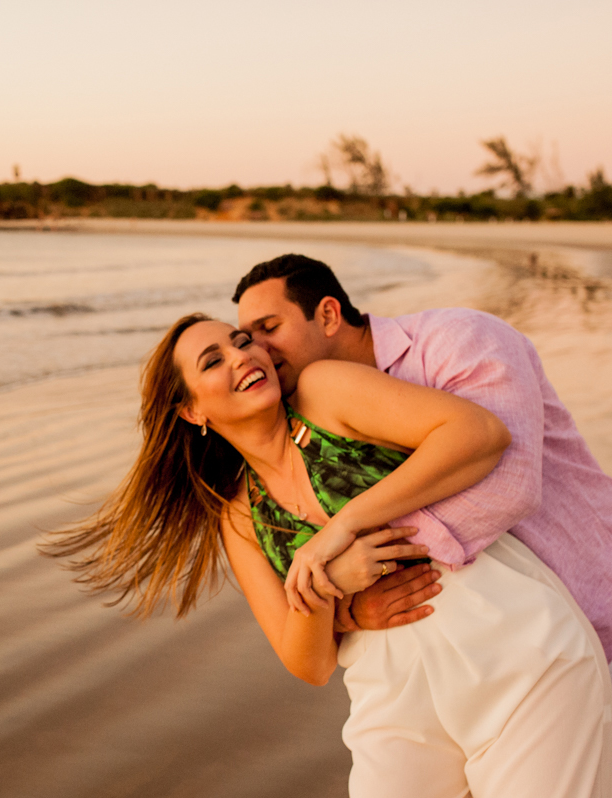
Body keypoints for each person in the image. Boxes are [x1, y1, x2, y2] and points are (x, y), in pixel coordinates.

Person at [44, 313, 611, 797]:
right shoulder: (239, 513)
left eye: (242, 341)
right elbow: (308, 662)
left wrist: (337, 532)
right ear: (192, 411)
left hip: (509, 639)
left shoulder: (325, 393)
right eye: (212, 361)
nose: (242, 357)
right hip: (391, 692)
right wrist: (329, 587)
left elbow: (479, 433)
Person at [232, 254, 612, 671]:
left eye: (269, 329)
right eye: (246, 338)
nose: (257, 352)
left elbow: (511, 485)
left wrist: (349, 566)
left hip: (589, 595)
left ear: (327, 315)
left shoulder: (458, 338)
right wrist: (345, 608)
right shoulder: (307, 428)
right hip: (490, 652)